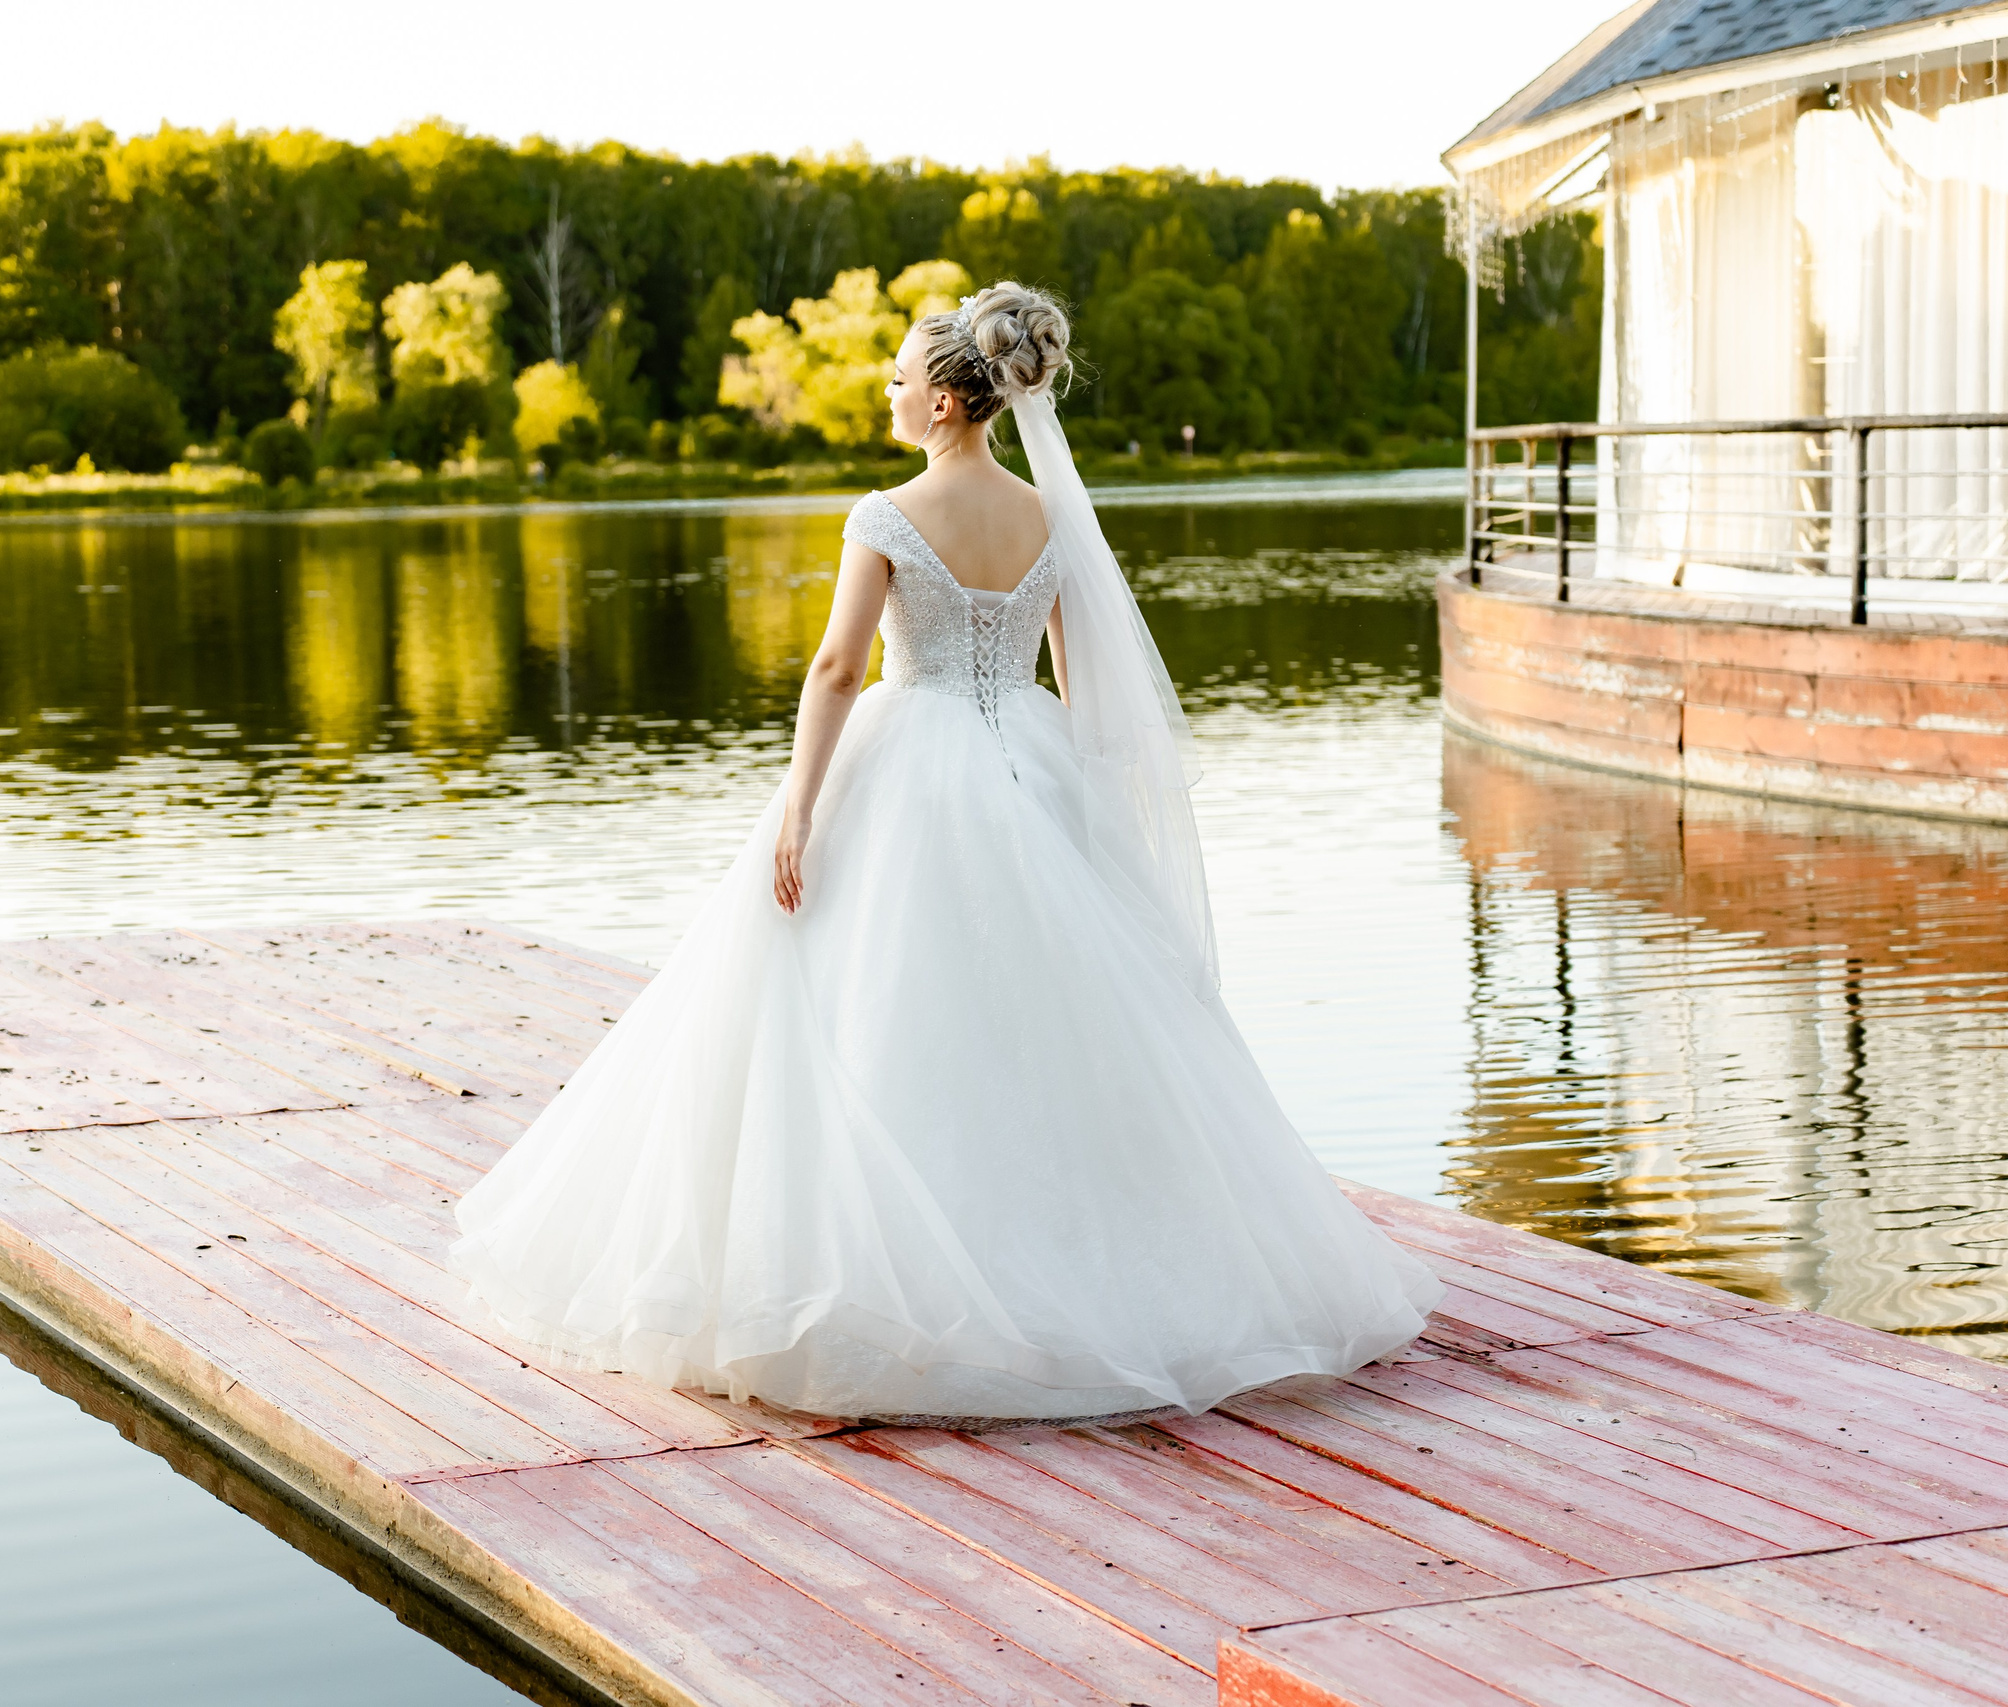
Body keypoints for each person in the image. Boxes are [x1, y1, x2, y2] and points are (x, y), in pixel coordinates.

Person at [450, 282, 1439, 1422]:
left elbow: (834, 670)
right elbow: (1085, 682)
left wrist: (798, 809)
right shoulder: (1051, 518)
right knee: (1052, 1025)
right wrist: (1086, 816)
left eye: (896, 375)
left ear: (940, 400)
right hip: (1027, 753)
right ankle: (1094, 1268)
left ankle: (884, 1285)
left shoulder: (885, 516)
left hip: (907, 753)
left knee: (873, 1010)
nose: (884, 387)